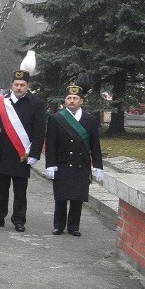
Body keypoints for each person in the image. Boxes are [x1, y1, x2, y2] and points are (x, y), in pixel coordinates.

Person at [0, 52, 47, 233]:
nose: (19, 87)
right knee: (0, 189)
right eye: (16, 84)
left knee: (20, 192)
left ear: (28, 86)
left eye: (22, 85)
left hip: (23, 153)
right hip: (3, 152)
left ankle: (19, 219)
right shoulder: (1, 103)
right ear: (12, 85)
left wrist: (34, 153)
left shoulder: (36, 104)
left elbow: (39, 130)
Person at [45, 74, 103, 237]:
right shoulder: (56, 118)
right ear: (65, 101)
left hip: (81, 164)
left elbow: (95, 144)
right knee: (61, 197)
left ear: (81, 101)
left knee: (77, 198)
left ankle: (73, 226)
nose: (71, 101)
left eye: (75, 98)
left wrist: (98, 165)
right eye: (69, 98)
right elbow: (51, 144)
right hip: (62, 163)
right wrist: (50, 163)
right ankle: (58, 225)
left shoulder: (90, 120)